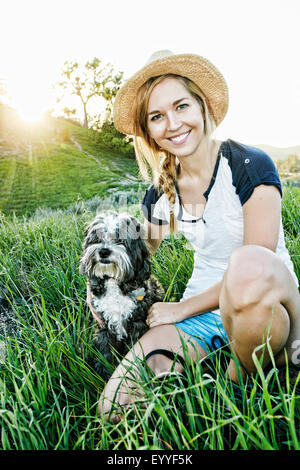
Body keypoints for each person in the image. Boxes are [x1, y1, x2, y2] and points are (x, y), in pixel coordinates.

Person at [88, 50, 300, 423]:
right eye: (157, 116)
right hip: (203, 315)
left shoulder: (248, 165)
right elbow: (136, 253)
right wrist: (99, 291)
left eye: (181, 106)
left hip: (267, 301)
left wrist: (180, 309)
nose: (172, 123)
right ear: (149, 131)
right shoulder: (161, 192)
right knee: (115, 407)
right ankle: (256, 359)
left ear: (202, 106)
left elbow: (258, 268)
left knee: (246, 266)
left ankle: (240, 381)